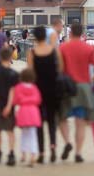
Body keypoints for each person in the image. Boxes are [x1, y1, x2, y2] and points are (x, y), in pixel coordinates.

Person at [58, 23, 94, 163]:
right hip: (84, 88)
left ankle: (67, 142)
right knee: (80, 122)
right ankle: (78, 153)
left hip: (67, 87)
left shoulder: (63, 47)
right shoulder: (88, 48)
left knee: (62, 118)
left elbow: (59, 68)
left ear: (70, 32)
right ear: (81, 34)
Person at [26, 26, 63, 164]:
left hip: (38, 91)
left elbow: (30, 73)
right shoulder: (54, 51)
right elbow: (60, 68)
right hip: (53, 90)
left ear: (35, 37)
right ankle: (53, 146)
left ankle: (41, 152)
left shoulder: (32, 53)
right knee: (52, 120)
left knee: (39, 122)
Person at [13, 69, 42, 167]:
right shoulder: (34, 88)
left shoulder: (18, 87)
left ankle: (23, 154)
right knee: (33, 135)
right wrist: (30, 100)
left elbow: (16, 100)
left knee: (24, 134)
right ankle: (33, 155)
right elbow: (38, 99)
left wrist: (24, 100)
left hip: (23, 112)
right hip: (33, 112)